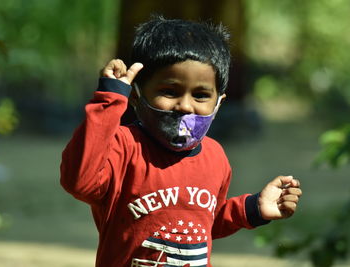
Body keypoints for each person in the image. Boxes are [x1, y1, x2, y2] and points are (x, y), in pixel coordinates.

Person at [60, 16, 302, 267]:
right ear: (135, 96)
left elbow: (202, 222)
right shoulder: (124, 146)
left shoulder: (215, 156)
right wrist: (109, 101)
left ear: (219, 102)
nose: (185, 106)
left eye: (200, 95)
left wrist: (252, 208)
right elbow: (79, 181)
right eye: (169, 91)